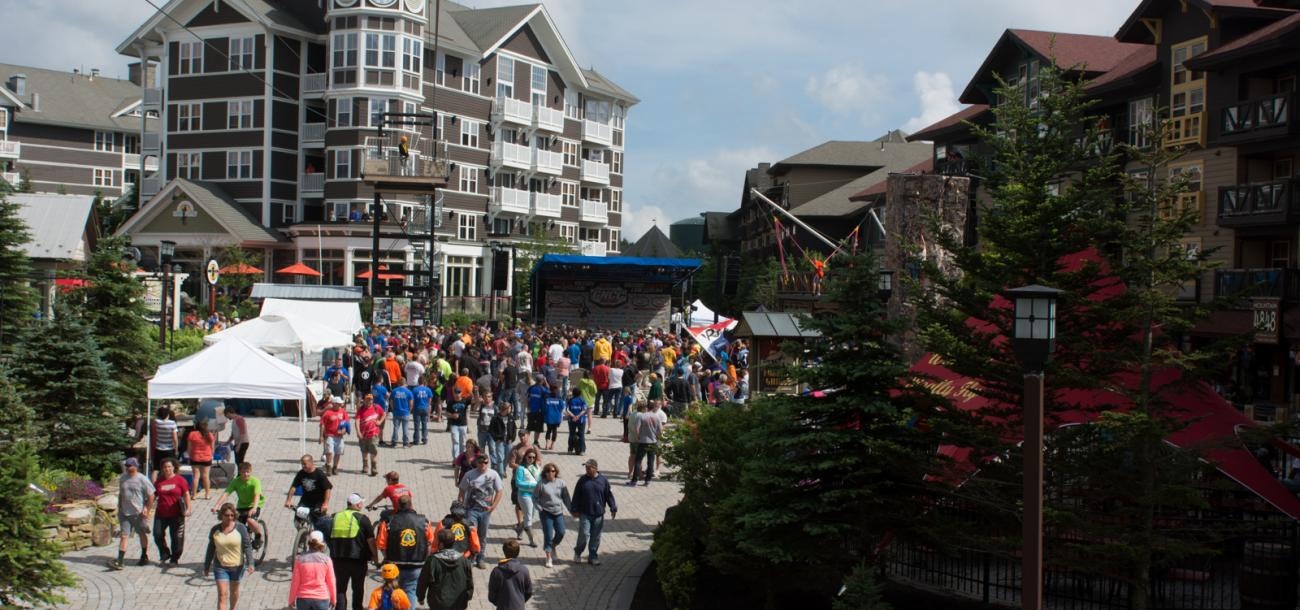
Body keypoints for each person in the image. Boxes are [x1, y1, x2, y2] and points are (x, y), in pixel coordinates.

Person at [376, 495, 434, 602]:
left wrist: (387, 558)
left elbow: (381, 545)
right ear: (411, 505)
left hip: (395, 565)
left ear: (398, 505)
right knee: (411, 592)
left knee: (394, 592)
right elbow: (430, 543)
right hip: (416, 564)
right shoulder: (424, 522)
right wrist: (425, 559)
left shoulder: (389, 521)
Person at [328, 493, 377, 610]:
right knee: (358, 588)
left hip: (338, 559)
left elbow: (329, 535)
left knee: (340, 588)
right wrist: (375, 556)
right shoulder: (363, 519)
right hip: (358, 560)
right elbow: (370, 540)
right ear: (358, 504)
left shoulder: (335, 516)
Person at [204, 503, 254, 610]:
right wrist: (206, 566)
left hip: (237, 566)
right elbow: (211, 549)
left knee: (234, 592)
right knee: (222, 595)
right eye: (227, 515)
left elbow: (247, 546)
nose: (229, 518)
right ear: (221, 515)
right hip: (220, 566)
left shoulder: (240, 528)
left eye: (232, 515)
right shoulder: (215, 530)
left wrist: (251, 563)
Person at [457, 454, 503, 569]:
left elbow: (499, 491)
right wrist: (461, 506)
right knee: (472, 534)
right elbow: (462, 491)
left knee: (482, 535)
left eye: (486, 462)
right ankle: (471, 557)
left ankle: (481, 558)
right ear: (476, 463)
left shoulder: (493, 475)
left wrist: (493, 506)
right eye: (481, 462)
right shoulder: (470, 474)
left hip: (485, 511)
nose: (483, 465)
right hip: (471, 510)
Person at [111, 457, 155, 570]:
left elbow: (151, 495)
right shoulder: (123, 478)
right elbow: (121, 493)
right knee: (124, 535)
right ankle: (120, 561)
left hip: (138, 513)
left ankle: (144, 555)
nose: (128, 468)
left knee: (141, 534)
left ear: (136, 466)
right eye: (127, 466)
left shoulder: (142, 479)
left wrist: (147, 509)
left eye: (130, 466)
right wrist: (120, 506)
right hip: (124, 512)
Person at [570, 459, 616, 566]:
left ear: (595, 468)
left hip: (598, 514)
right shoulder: (582, 480)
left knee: (596, 536)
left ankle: (593, 556)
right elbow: (576, 495)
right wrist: (574, 509)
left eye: (589, 467)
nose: (587, 469)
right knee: (584, 535)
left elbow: (609, 495)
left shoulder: (603, 480)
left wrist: (613, 508)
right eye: (586, 467)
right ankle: (578, 552)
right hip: (585, 513)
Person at [417, 529, 475, 610]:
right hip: (458, 603)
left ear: (441, 544)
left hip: (438, 604)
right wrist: (467, 597)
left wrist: (420, 597)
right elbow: (469, 582)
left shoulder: (432, 560)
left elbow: (423, 581)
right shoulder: (464, 561)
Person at [211, 462, 266, 545]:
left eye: (247, 472)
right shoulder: (236, 482)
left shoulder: (255, 481)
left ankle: (258, 536)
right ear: (240, 472)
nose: (245, 474)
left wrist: (254, 507)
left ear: (250, 471)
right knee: (236, 525)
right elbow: (226, 493)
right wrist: (217, 506)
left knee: (250, 520)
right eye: (243, 472)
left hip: (254, 504)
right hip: (242, 505)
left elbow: (256, 495)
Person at [152, 457, 192, 565]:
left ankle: (174, 558)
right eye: (165, 467)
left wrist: (188, 509)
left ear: (174, 468)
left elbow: (186, 494)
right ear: (162, 469)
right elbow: (153, 495)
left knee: (176, 538)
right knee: (157, 534)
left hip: (176, 514)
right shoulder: (159, 481)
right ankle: (165, 553)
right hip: (161, 513)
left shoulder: (180, 480)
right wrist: (146, 507)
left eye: (169, 467)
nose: (167, 469)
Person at [534, 462, 571, 568]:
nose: (551, 473)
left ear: (556, 472)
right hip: (546, 513)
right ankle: (548, 557)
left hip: (558, 512)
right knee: (548, 535)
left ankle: (553, 545)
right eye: (548, 471)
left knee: (561, 532)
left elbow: (566, 498)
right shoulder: (541, 484)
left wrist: (571, 510)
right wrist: (540, 508)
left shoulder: (561, 483)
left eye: (553, 471)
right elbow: (535, 497)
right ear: (545, 473)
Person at [289, 530, 337, 610]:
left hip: (303, 599)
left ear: (309, 543)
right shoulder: (327, 560)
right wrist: (333, 599)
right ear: (322, 544)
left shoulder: (300, 560)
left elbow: (295, 582)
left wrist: (291, 600)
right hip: (321, 598)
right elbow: (331, 582)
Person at [285, 454, 334, 526]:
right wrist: (288, 500)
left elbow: (327, 489)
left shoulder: (319, 474)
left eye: (305, 464)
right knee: (297, 521)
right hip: (305, 500)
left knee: (318, 523)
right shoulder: (301, 473)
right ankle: (302, 534)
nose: (303, 466)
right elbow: (293, 487)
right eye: (302, 464)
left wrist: (325, 504)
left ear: (311, 462)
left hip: (318, 501)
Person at [487, 539, 533, 610]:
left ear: (504, 552)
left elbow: (492, 595)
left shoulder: (496, 571)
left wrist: (500, 602)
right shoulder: (524, 570)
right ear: (518, 553)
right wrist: (520, 601)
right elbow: (529, 591)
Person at [629, 401, 664, 486]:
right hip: (653, 442)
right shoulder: (656, 417)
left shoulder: (642, 416)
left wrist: (638, 437)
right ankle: (647, 481)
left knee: (638, 461)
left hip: (643, 441)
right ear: (653, 408)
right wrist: (657, 437)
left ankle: (634, 480)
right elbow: (660, 430)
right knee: (651, 461)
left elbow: (637, 428)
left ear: (647, 407)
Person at [513, 448, 541, 547]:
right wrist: (532, 485)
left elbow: (540, 479)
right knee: (529, 517)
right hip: (524, 495)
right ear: (525, 457)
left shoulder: (537, 467)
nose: (531, 459)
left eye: (533, 457)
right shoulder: (521, 468)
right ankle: (532, 540)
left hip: (535, 496)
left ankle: (519, 528)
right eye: (529, 457)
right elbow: (518, 483)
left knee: (531, 516)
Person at [357, 393, 386, 477]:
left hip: (373, 434)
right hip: (363, 434)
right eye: (367, 399)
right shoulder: (361, 409)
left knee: (373, 450)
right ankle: (365, 466)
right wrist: (358, 432)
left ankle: (374, 468)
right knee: (364, 451)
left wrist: (379, 422)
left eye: (371, 399)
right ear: (364, 400)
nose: (369, 401)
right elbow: (357, 421)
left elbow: (384, 414)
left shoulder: (376, 407)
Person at [321, 397, 349, 476]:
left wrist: (344, 430)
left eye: (341, 404)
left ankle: (335, 467)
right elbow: (322, 424)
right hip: (330, 435)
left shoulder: (343, 412)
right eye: (339, 404)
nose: (340, 405)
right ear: (334, 404)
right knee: (329, 452)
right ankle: (329, 466)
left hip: (339, 437)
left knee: (338, 452)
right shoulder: (328, 413)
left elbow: (346, 422)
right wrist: (321, 436)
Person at [188, 420, 216, 499]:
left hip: (195, 457)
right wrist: (211, 455)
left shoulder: (192, 434)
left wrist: (190, 456)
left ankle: (193, 495)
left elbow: (189, 448)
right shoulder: (209, 435)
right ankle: (207, 494)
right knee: (206, 476)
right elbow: (212, 448)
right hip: (206, 457)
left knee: (196, 476)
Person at [151, 405, 179, 479]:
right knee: (172, 468)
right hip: (169, 449)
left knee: (156, 469)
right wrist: (176, 449)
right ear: (168, 414)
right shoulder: (172, 423)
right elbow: (175, 438)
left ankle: (154, 486)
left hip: (158, 448)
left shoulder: (156, 422)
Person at [564, 387, 590, 456]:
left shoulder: (570, 400)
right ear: (580, 393)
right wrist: (578, 416)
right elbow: (584, 410)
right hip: (581, 420)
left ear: (573, 393)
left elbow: (567, 409)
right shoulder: (582, 400)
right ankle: (582, 451)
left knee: (571, 434)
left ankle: (570, 449)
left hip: (571, 420)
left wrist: (573, 416)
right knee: (581, 435)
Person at [525, 375, 549, 444]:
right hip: (539, 411)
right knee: (538, 428)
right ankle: (535, 442)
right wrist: (546, 382)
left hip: (531, 410)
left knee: (529, 427)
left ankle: (526, 442)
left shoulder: (531, 388)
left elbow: (527, 398)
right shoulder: (543, 389)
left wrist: (528, 407)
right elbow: (548, 391)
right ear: (542, 381)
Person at [389, 383, 414, 448]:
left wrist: (393, 409)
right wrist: (409, 411)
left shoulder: (394, 391)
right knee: (405, 428)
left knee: (396, 428)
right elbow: (411, 404)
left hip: (396, 412)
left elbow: (391, 402)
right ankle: (405, 444)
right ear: (405, 383)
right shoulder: (408, 392)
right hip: (405, 413)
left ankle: (394, 443)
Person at [446, 397, 469, 462]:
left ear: (461, 393)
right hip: (454, 425)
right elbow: (447, 413)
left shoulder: (465, 401)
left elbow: (475, 402)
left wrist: (476, 391)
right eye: (456, 393)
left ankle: (462, 458)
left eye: (459, 392)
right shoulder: (450, 402)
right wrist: (452, 416)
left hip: (463, 424)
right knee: (456, 442)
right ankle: (456, 460)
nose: (457, 394)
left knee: (463, 443)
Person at [412, 379, 433, 445]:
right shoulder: (428, 389)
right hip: (425, 408)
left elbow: (412, 400)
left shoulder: (414, 390)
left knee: (417, 425)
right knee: (424, 424)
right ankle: (424, 439)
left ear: (418, 382)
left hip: (417, 408)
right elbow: (430, 400)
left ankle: (416, 440)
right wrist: (427, 406)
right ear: (424, 382)